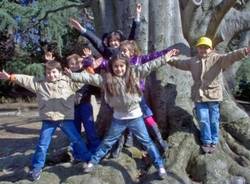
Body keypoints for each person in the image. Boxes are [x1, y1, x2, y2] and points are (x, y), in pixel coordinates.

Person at [65, 50, 178, 179]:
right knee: (107, 142)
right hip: (118, 119)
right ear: (112, 67)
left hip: (136, 117)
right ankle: (92, 162)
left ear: (126, 66)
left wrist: (165, 58)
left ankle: (160, 166)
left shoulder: (135, 73)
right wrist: (72, 75)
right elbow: (90, 78)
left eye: (121, 66)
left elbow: (150, 65)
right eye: (116, 66)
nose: (119, 69)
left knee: (147, 142)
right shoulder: (107, 80)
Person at [0, 60, 92, 181]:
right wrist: (11, 77)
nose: (51, 75)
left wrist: (89, 70)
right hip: (48, 120)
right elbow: (26, 79)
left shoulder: (68, 81)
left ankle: (89, 159)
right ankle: (37, 168)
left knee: (76, 140)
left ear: (59, 72)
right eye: (48, 72)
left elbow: (81, 80)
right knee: (42, 145)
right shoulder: (39, 83)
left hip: (64, 118)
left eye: (54, 72)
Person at [167, 36, 250, 153]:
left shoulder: (217, 59)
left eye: (206, 48)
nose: (203, 50)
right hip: (199, 96)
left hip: (213, 95)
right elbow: (180, 63)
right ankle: (206, 140)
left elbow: (231, 56)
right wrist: (168, 59)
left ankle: (214, 140)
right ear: (197, 49)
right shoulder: (193, 61)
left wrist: (244, 51)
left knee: (214, 120)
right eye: (201, 47)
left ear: (211, 49)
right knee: (203, 119)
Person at [69, 3, 142, 59]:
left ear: (121, 41)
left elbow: (134, 34)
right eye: (111, 41)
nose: (113, 43)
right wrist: (81, 29)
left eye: (116, 40)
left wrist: (137, 15)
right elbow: (95, 41)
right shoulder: (107, 51)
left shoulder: (126, 48)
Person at [66, 54, 101, 154]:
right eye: (71, 64)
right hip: (72, 108)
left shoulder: (86, 75)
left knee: (90, 129)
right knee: (75, 131)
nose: (74, 65)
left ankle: (95, 149)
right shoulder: (66, 77)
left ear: (81, 64)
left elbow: (92, 66)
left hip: (85, 105)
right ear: (68, 65)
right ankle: (78, 152)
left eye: (77, 63)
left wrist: (88, 58)